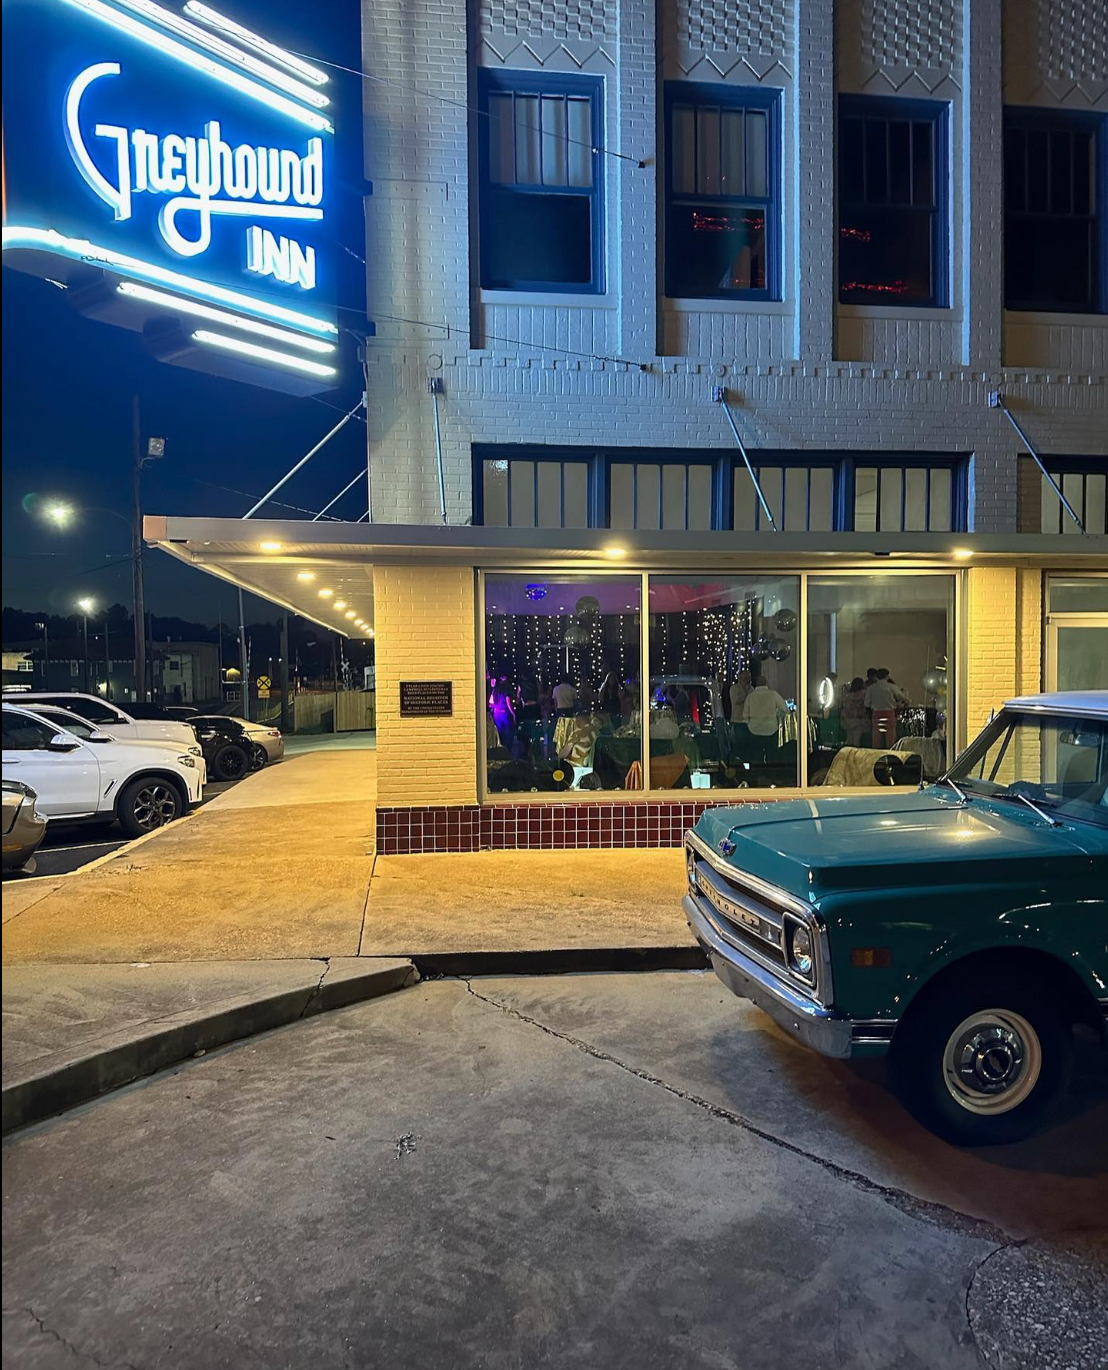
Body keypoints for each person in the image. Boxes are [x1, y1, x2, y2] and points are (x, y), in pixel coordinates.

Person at [743, 674, 788, 755]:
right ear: (767, 683)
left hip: (754, 729)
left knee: (756, 756)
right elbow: (785, 709)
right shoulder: (773, 694)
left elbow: (745, 715)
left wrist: (749, 723)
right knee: (772, 755)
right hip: (771, 729)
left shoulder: (750, 696)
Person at [864, 668, 907, 748]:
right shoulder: (891, 687)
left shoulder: (871, 688)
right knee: (890, 736)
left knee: (876, 736)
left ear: (876, 677)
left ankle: (875, 753)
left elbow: (867, 703)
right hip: (889, 713)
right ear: (887, 676)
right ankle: (890, 752)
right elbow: (902, 697)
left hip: (876, 713)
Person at [840, 677, 868, 748]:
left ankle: (847, 752)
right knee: (857, 740)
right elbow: (866, 704)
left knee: (849, 738)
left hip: (846, 719)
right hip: (858, 719)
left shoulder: (847, 695)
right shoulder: (864, 694)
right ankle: (855, 753)